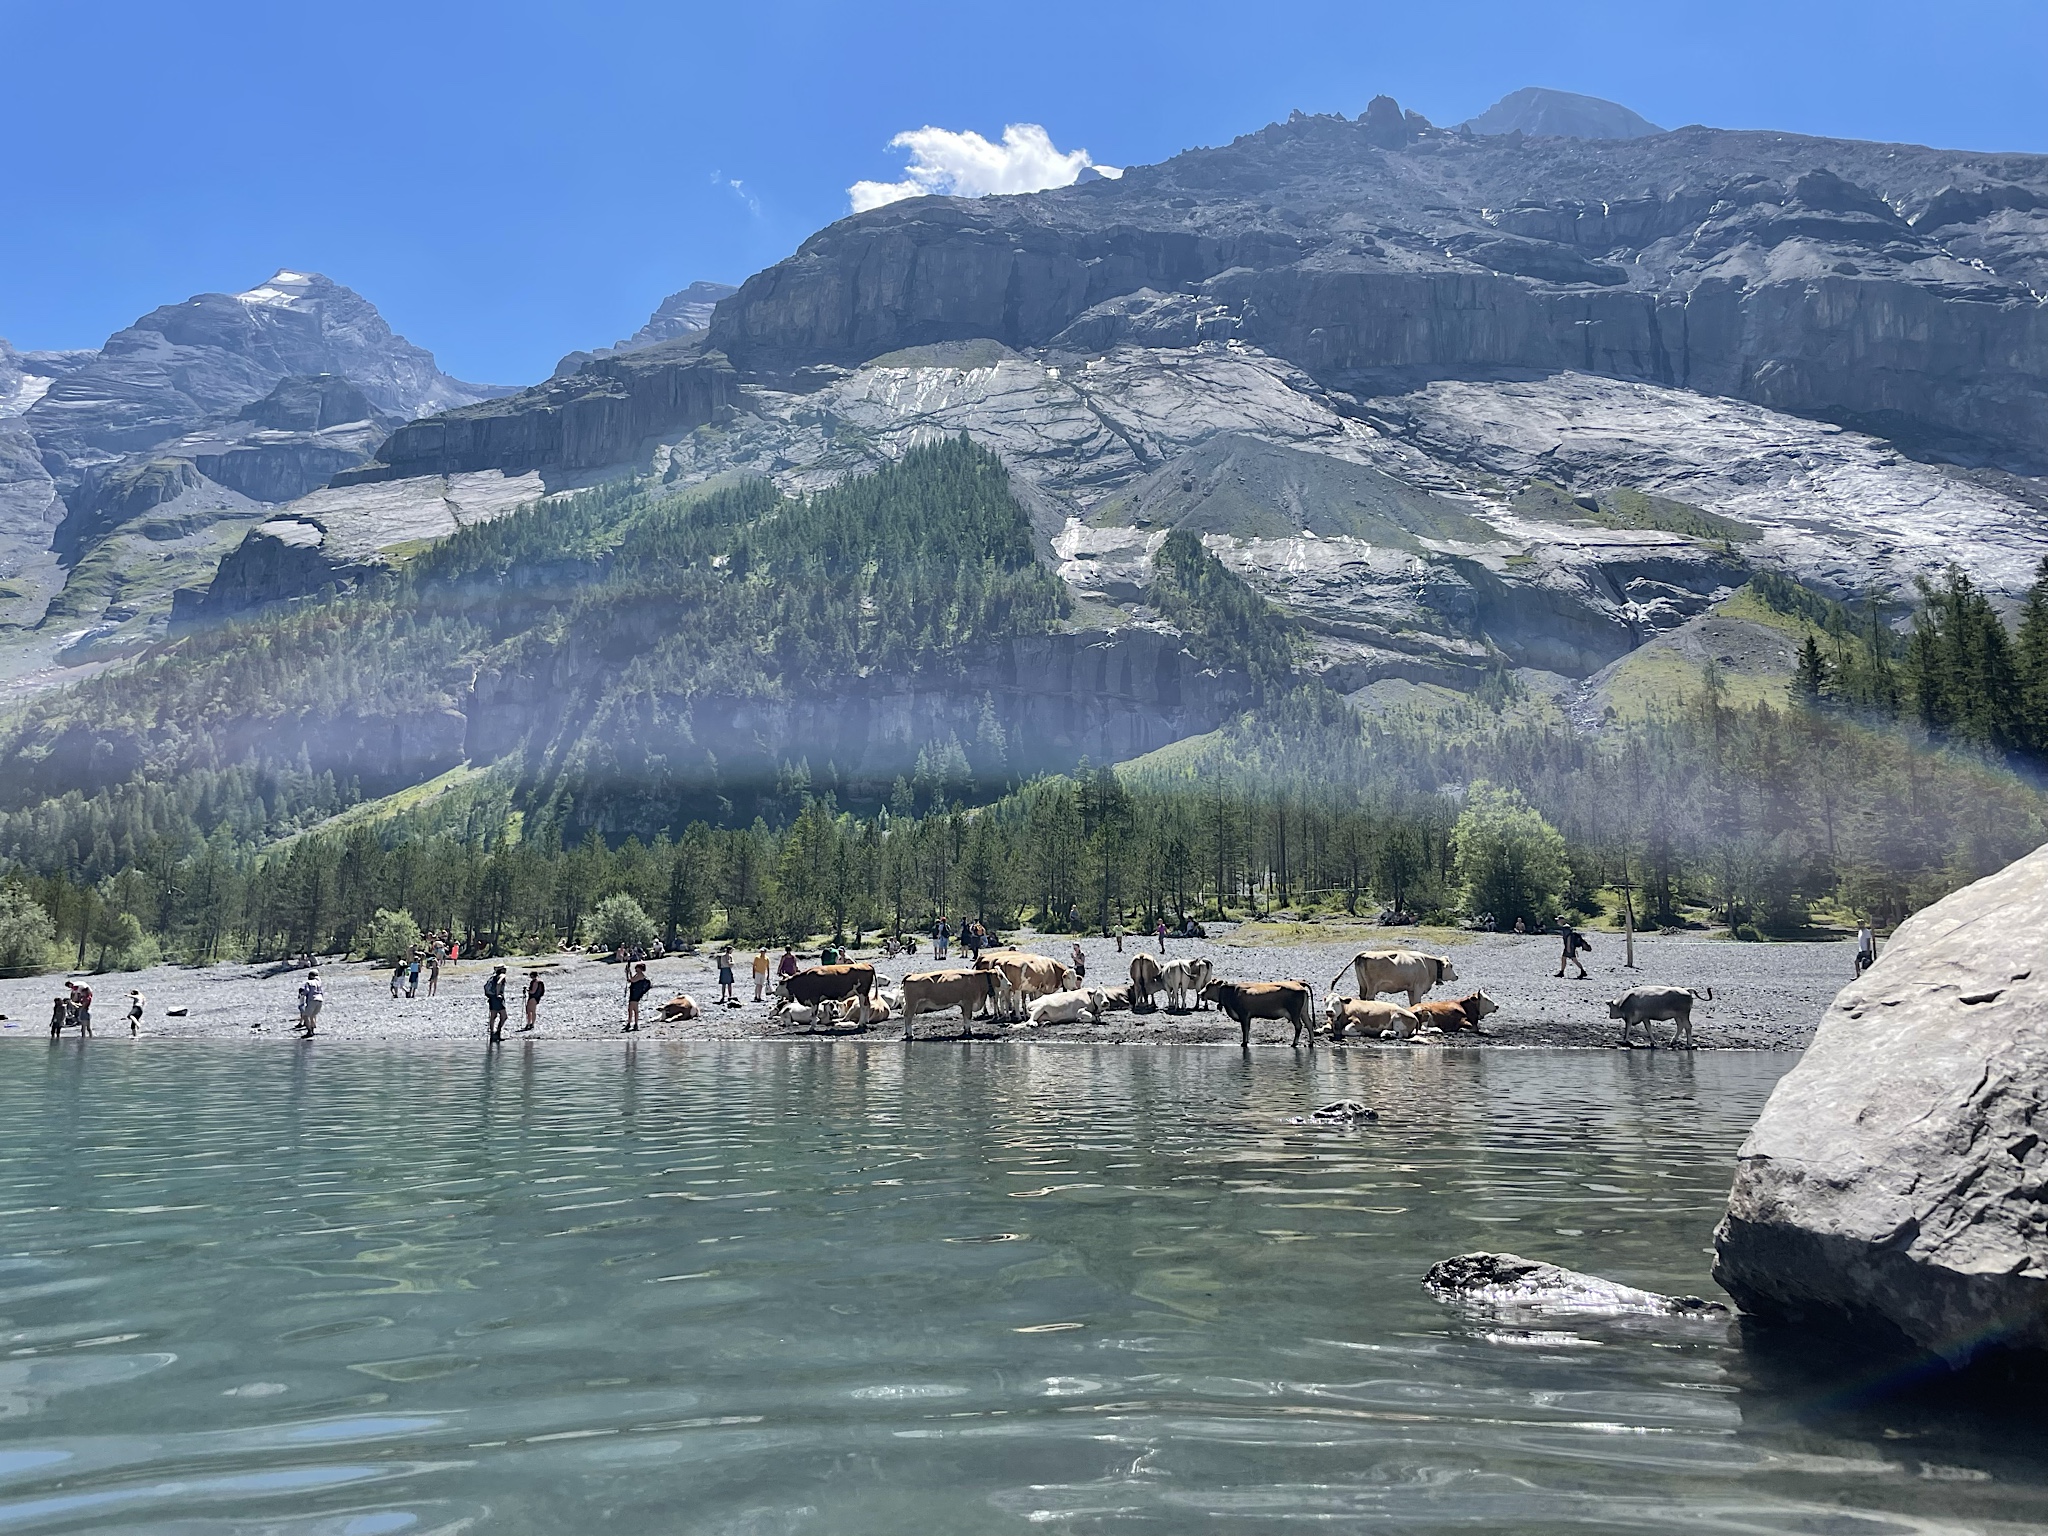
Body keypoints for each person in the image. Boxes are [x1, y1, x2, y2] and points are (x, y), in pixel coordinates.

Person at [484, 965, 509, 1043]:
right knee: (504, 1016)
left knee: (493, 1016)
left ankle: (492, 1034)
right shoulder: (502, 975)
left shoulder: (493, 977)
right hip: (498, 998)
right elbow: (499, 983)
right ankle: (498, 1032)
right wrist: (498, 994)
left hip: (492, 998)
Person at [625, 961, 652, 1032]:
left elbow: (632, 980)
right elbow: (631, 979)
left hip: (635, 994)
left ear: (640, 969)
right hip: (635, 993)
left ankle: (632, 1024)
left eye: (637, 968)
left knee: (633, 1009)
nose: (635, 969)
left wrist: (628, 973)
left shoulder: (640, 976)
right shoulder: (638, 975)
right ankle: (632, 1023)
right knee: (632, 1009)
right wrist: (629, 973)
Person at [296, 971, 323, 1037]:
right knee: (313, 1015)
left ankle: (309, 1031)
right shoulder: (318, 982)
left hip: (312, 999)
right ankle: (312, 1030)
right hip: (320, 999)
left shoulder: (308, 982)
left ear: (310, 976)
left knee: (306, 1015)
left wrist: (302, 994)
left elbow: (307, 991)